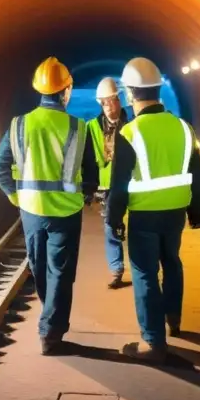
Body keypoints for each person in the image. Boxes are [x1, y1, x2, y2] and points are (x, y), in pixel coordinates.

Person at [0, 57, 99, 355]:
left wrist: (16, 196)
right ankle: (51, 330)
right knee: (61, 273)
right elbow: (90, 172)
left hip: (31, 211)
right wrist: (86, 196)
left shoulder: (18, 125)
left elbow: (0, 167)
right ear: (65, 91)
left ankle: (49, 322)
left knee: (39, 268)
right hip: (66, 211)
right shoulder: (78, 127)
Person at [105, 57, 200, 363]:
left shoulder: (130, 133)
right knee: (172, 263)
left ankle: (153, 342)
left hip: (144, 216)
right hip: (175, 213)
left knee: (145, 273)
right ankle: (173, 320)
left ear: (129, 92)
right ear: (158, 89)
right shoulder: (184, 128)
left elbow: (119, 183)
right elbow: (197, 173)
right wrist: (197, 211)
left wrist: (114, 219)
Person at [86, 77, 130, 288]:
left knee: (135, 226)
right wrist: (89, 188)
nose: (108, 106)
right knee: (110, 227)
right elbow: (88, 160)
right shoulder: (92, 127)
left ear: (118, 100)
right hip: (107, 187)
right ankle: (116, 269)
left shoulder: (132, 124)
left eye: (111, 100)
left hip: (131, 184)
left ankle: (141, 267)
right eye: (104, 102)